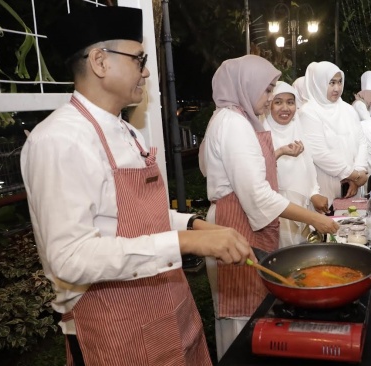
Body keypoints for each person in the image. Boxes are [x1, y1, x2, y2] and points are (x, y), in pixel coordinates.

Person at [21, 6, 254, 365]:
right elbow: (69, 258)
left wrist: (195, 225)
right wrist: (186, 241)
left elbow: (141, 216)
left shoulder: (127, 130)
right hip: (114, 324)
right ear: (99, 61)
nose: (146, 71)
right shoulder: (59, 140)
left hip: (170, 307)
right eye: (139, 58)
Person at [199, 55, 339, 358]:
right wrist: (315, 219)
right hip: (235, 223)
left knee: (249, 313)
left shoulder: (229, 118)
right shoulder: (233, 123)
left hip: (238, 221)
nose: (270, 98)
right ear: (245, 86)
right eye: (267, 91)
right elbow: (258, 196)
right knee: (242, 320)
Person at [265, 81, 329, 247]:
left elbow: (308, 166)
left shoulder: (298, 129)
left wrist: (314, 192)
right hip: (278, 211)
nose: (285, 108)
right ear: (268, 104)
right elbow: (259, 172)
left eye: (290, 102)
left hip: (304, 207)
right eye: (278, 102)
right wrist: (279, 153)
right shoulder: (261, 134)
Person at [298, 61, 369, 206]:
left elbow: (362, 142)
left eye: (340, 82)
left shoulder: (348, 109)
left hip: (354, 187)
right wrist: (353, 175)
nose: (337, 88)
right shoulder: (308, 112)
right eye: (331, 83)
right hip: (326, 190)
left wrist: (360, 171)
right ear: (319, 83)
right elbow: (318, 153)